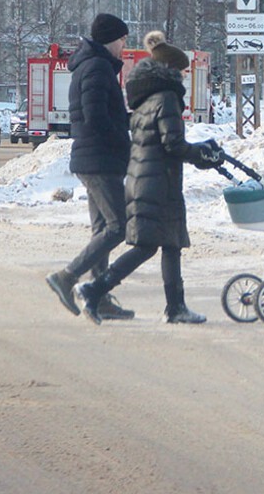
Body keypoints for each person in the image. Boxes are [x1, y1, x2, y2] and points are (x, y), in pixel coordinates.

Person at [76, 31, 223, 325]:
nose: (184, 75)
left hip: (147, 178)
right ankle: (95, 288)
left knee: (171, 244)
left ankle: (176, 307)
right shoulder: (168, 97)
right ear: (170, 69)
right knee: (148, 245)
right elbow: (173, 144)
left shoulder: (146, 97)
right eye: (182, 70)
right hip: (158, 182)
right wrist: (203, 154)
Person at [45, 13, 136, 321]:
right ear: (110, 39)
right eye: (122, 39)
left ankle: (99, 297)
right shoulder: (97, 68)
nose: (125, 45)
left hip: (95, 157)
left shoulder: (93, 66)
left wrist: (128, 120)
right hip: (99, 158)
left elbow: (103, 114)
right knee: (117, 227)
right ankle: (68, 277)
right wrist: (124, 139)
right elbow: (96, 117)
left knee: (103, 229)